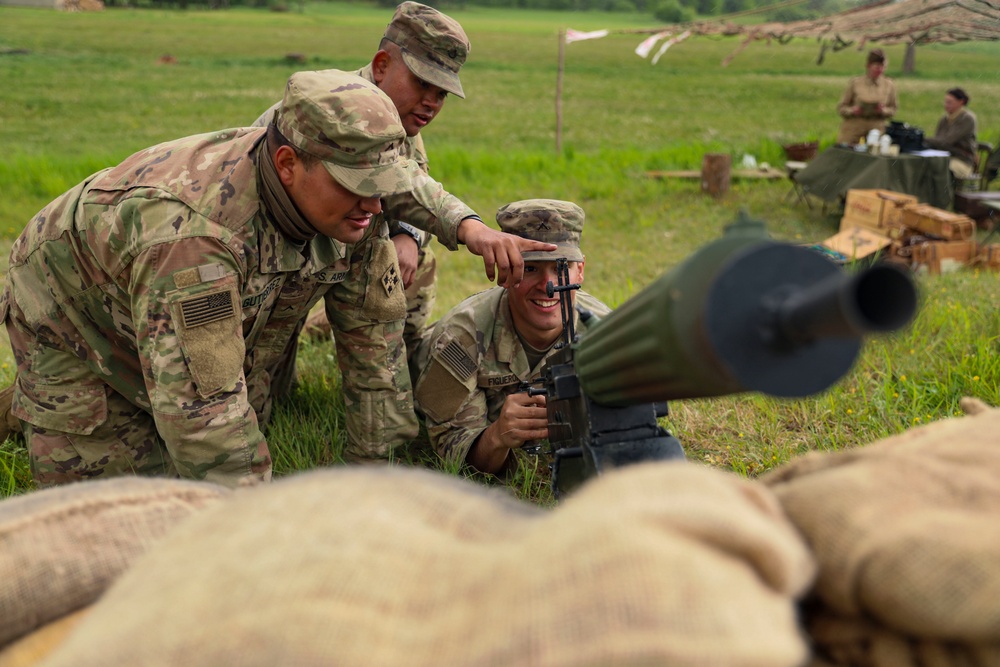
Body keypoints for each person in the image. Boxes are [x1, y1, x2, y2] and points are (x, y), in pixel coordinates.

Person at [0, 70, 552, 488]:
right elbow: (206, 421)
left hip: (174, 293)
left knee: (238, 410)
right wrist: (272, 538)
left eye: (382, 184)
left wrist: (379, 487)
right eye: (356, 184)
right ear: (288, 165)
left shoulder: (355, 211)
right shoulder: (195, 240)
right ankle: (35, 402)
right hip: (74, 311)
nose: (374, 203)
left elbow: (376, 359)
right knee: (132, 502)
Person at [252, 2, 507, 461]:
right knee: (259, 403)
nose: (432, 102)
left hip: (358, 249)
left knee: (401, 292)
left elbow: (413, 185)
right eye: (423, 84)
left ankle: (397, 375)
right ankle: (303, 334)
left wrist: (407, 236)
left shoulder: (401, 123)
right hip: (282, 262)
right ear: (382, 65)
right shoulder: (320, 112)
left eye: (443, 92)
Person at [412, 200, 611, 475]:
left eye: (561, 268)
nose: (549, 287)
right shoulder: (461, 340)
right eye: (530, 268)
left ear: (581, 270)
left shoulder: (605, 334)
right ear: (505, 271)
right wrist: (497, 437)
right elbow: (454, 453)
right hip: (422, 360)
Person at [836, 49, 898, 145]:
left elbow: (893, 109)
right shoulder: (856, 83)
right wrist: (853, 110)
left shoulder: (889, 85)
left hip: (877, 126)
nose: (880, 70)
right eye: (877, 67)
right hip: (855, 125)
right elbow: (841, 108)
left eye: (882, 67)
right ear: (868, 66)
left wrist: (883, 110)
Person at [924, 87, 978, 180]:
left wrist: (924, 138)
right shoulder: (944, 119)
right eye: (945, 102)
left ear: (961, 102)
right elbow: (938, 140)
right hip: (945, 158)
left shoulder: (967, 119)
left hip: (962, 161)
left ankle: (944, 193)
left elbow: (947, 141)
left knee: (940, 170)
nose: (946, 105)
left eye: (950, 102)